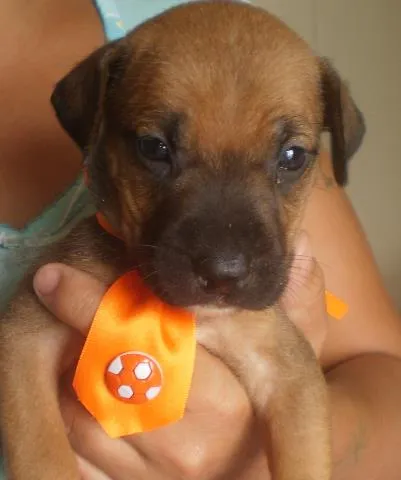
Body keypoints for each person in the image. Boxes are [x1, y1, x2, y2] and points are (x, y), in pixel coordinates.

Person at [1, 0, 401, 479]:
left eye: (290, 159)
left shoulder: (241, 60)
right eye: (157, 151)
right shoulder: (145, 57)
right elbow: (23, 345)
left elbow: (313, 382)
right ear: (99, 134)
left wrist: (245, 461)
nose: (226, 261)